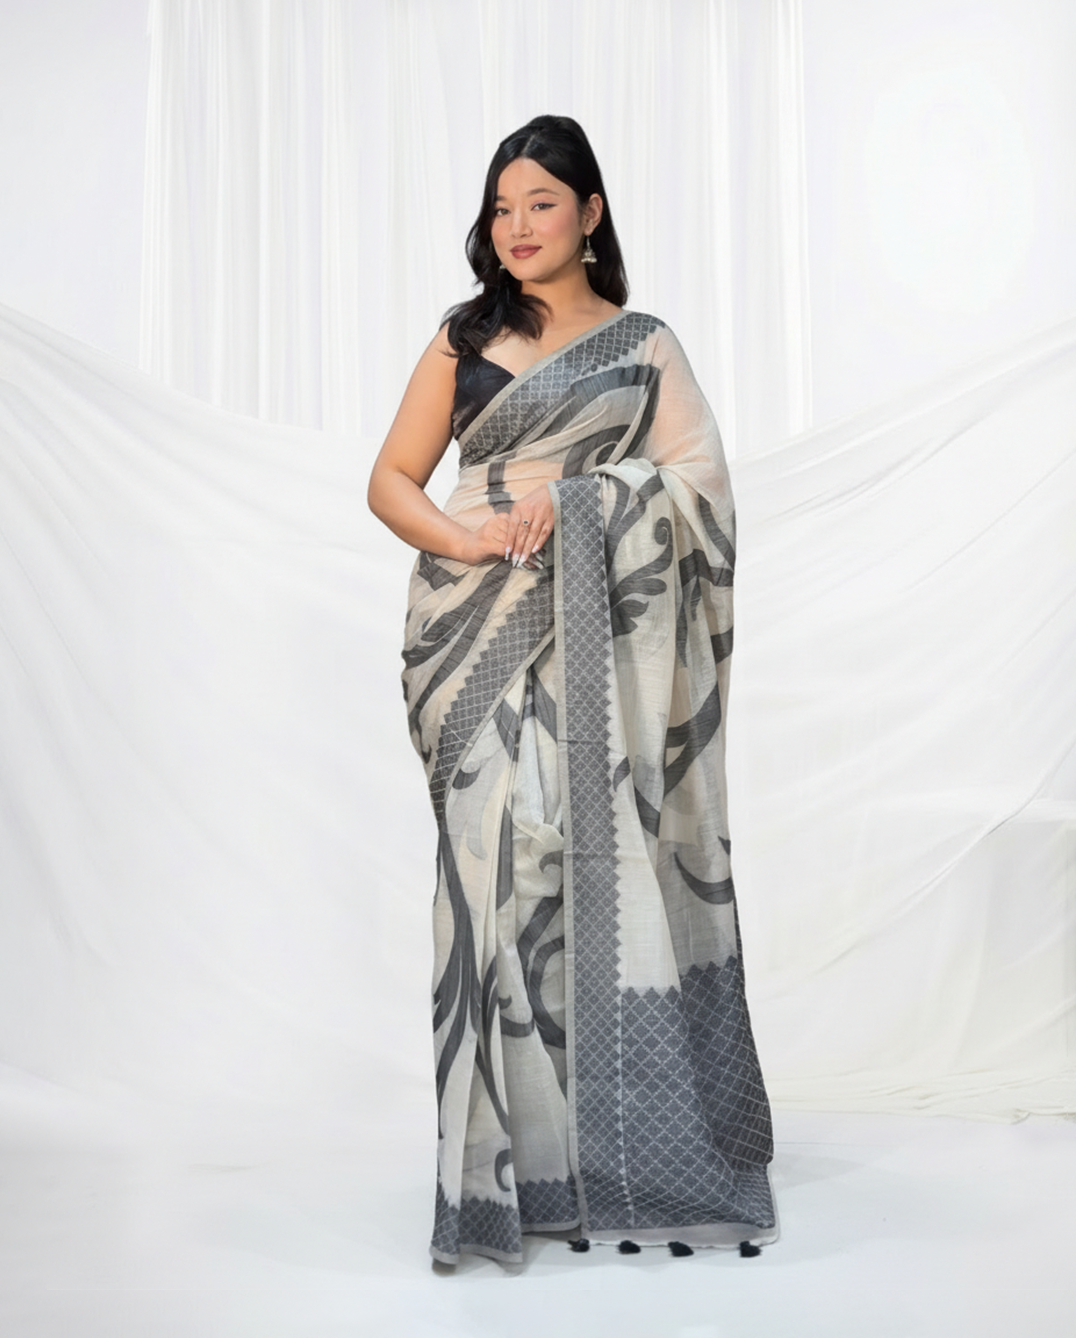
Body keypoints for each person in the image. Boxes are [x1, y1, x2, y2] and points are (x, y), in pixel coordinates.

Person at [368, 114, 777, 1266]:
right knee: (489, 883)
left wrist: (596, 496)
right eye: (501, 208)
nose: (516, 228)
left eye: (540, 203)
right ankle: (509, 1178)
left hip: (593, 634)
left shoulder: (643, 347)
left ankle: (614, 1154)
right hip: (470, 631)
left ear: (590, 214)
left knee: (576, 873)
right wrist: (476, 533)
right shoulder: (464, 339)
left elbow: (701, 492)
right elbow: (389, 481)